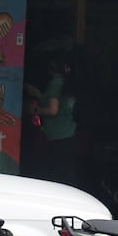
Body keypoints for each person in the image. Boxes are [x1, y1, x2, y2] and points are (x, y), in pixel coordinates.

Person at [36, 57, 78, 187]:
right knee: (67, 174)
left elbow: (53, 110)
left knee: (57, 176)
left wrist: (34, 110)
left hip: (57, 135)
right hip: (69, 133)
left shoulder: (56, 82)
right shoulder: (68, 80)